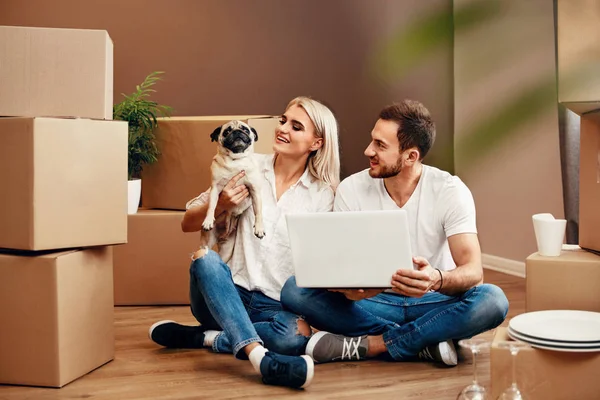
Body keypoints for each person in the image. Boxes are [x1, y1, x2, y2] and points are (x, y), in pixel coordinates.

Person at [281, 99, 509, 367]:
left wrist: (436, 279)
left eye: (380, 145)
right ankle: (426, 341)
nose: (368, 150)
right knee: (294, 290)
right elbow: (345, 267)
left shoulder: (449, 191)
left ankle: (374, 344)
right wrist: (352, 289)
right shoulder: (351, 189)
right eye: (372, 140)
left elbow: (473, 271)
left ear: (411, 156)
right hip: (374, 302)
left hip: (433, 300)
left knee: (493, 300)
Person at [148, 96, 341, 389]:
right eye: (283, 120)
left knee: (292, 337)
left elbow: (318, 262)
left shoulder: (322, 194)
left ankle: (208, 337)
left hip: (273, 305)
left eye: (296, 126)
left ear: (316, 143)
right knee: (205, 260)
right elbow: (187, 222)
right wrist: (222, 203)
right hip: (223, 292)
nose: (283, 129)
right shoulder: (244, 165)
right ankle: (260, 358)